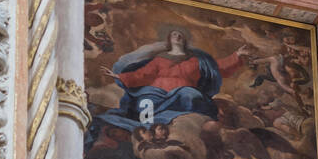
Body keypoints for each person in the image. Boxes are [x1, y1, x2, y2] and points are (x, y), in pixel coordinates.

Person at [105, 29, 249, 128]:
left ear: (185, 40)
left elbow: (218, 67)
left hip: (184, 91)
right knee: (144, 101)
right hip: (156, 92)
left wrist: (237, 55)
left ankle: (185, 123)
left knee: (190, 95)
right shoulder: (159, 59)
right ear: (169, 39)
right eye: (174, 34)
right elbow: (143, 74)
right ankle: (148, 130)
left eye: (180, 34)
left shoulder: (196, 60)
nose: (177, 36)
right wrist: (118, 76)